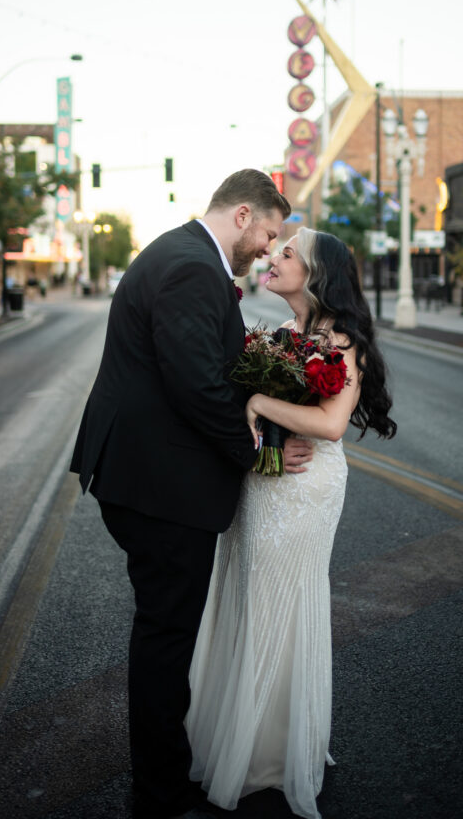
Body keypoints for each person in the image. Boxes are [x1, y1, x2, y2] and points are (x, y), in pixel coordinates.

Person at [70, 170, 312, 819]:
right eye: (266, 232)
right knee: (165, 636)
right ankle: (159, 794)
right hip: (158, 483)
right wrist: (259, 456)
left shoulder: (182, 256)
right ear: (240, 214)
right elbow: (195, 385)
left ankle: (161, 779)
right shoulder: (189, 267)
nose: (266, 247)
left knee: (163, 632)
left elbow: (202, 369)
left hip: (149, 476)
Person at [186, 228, 397, 819]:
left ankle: (270, 754)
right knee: (247, 599)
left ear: (317, 275)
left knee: (282, 603)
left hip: (306, 487)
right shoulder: (280, 336)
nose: (272, 258)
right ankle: (236, 735)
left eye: (286, 255)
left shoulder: (341, 339)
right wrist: (251, 415)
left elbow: (330, 424)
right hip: (263, 484)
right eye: (275, 251)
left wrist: (258, 405)